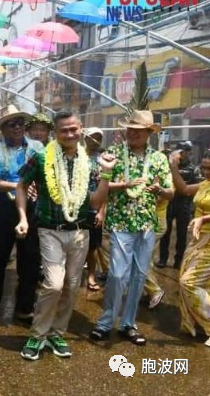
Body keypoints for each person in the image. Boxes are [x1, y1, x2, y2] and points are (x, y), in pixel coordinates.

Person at [15, 111, 116, 360]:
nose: (69, 134)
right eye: (64, 130)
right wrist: (23, 217)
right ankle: (37, 335)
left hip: (80, 231)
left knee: (71, 285)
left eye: (74, 129)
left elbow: (95, 200)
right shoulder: (41, 159)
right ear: (55, 133)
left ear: (80, 129)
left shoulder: (91, 164)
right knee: (54, 283)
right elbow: (20, 185)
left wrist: (106, 174)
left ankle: (56, 333)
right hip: (50, 230)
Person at [89, 109, 173, 345]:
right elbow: (101, 186)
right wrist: (124, 184)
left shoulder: (158, 159)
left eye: (138, 131)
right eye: (130, 129)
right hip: (120, 223)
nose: (133, 134)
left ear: (149, 133)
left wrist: (160, 191)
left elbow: (171, 191)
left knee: (139, 276)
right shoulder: (112, 154)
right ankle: (105, 323)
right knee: (117, 275)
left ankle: (128, 324)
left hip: (146, 224)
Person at [0, 105, 44, 319]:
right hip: (3, 209)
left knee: (30, 258)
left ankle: (25, 305)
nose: (17, 127)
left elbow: (43, 175)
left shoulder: (37, 148)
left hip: (32, 207)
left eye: (20, 123)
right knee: (0, 255)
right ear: (4, 128)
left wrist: (34, 186)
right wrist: (19, 186)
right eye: (11, 124)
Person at [169, 150, 210, 347]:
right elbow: (184, 189)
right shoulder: (204, 184)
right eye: (204, 167)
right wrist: (173, 167)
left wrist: (203, 219)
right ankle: (197, 324)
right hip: (197, 240)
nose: (205, 171)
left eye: (209, 168)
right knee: (200, 283)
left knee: (189, 282)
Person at [158, 141, 198, 269]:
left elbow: (195, 189)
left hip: (184, 204)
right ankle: (163, 259)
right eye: (180, 151)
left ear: (189, 153)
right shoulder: (168, 166)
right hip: (170, 202)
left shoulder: (193, 169)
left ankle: (178, 261)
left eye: (184, 151)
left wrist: (192, 207)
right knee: (165, 233)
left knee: (182, 235)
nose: (181, 154)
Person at [83, 127, 105, 291]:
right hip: (77, 208)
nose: (96, 141)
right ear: (86, 139)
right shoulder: (77, 156)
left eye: (99, 138)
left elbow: (105, 188)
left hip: (94, 208)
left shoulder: (103, 161)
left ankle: (91, 275)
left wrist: (101, 211)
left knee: (93, 246)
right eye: (93, 137)